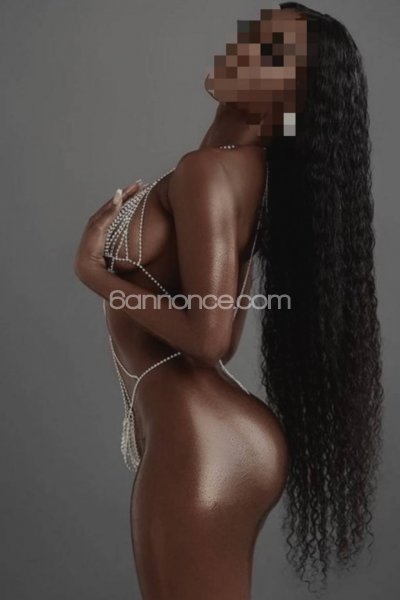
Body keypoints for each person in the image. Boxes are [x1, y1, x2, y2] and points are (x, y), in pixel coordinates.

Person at [74, 3, 383, 597]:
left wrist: (93, 272)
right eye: (255, 35)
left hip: (201, 442)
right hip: (214, 436)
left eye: (268, 54)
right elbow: (227, 330)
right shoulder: (243, 173)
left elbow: (210, 339)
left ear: (287, 105)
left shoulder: (206, 173)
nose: (241, 47)